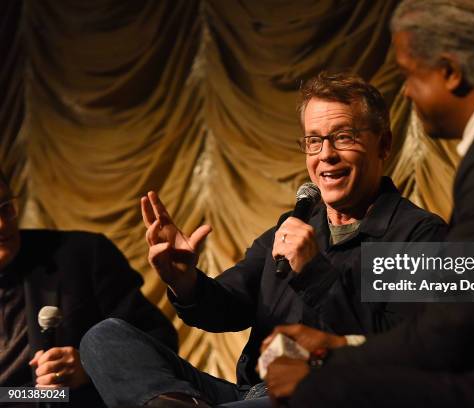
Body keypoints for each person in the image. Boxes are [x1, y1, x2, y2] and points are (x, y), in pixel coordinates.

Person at [256, 0, 474, 407]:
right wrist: (340, 345)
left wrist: (330, 367)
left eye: (409, 74)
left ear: (450, 72)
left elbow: (455, 331)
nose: (406, 91)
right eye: (314, 141)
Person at [80, 71, 448, 407]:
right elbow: (226, 307)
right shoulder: (293, 227)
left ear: (383, 145)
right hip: (250, 394)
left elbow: (397, 352)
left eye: (343, 137)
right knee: (104, 338)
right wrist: (185, 280)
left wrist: (314, 273)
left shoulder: (417, 236)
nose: (326, 156)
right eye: (314, 142)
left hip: (328, 395)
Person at [0, 170, 178, 408]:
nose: (2, 224)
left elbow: (160, 340)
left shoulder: (82, 255)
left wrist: (91, 367)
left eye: (5, 208)